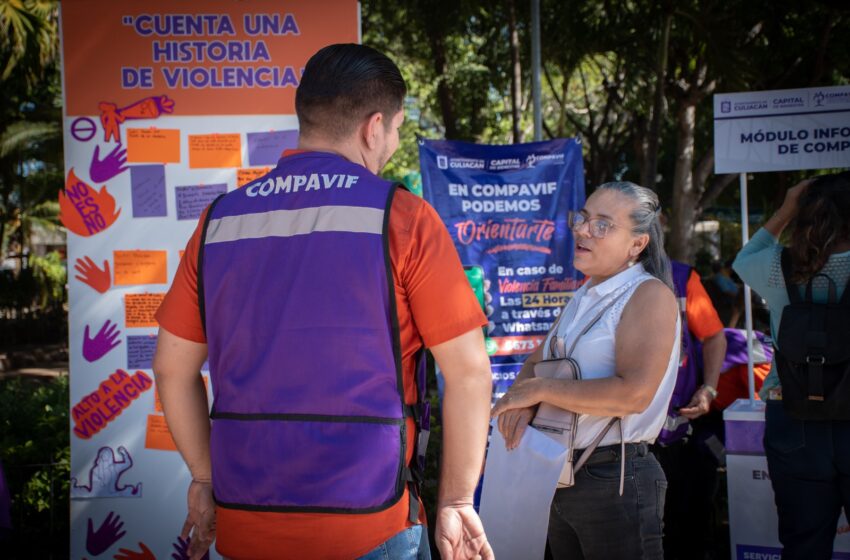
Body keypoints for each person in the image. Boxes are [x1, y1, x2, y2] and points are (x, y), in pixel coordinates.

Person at [152, 44, 494, 560]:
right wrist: (457, 500)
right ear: (372, 126)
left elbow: (171, 370)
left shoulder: (220, 221)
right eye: (397, 128)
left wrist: (204, 478)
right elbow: (468, 373)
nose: (394, 142)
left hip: (246, 521)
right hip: (370, 524)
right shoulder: (403, 217)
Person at [491, 181, 680, 559]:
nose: (581, 230)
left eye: (602, 224)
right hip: (562, 475)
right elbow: (535, 363)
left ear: (637, 244)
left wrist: (540, 391)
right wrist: (526, 400)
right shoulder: (584, 295)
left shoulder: (648, 295)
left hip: (615, 478)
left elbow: (634, 394)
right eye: (584, 218)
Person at [733, 171, 850, 559]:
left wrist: (785, 208)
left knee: (803, 545)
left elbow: (743, 259)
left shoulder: (779, 267)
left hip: (794, 415)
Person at [652, 259, 727, 560]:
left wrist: (708, 388)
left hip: (674, 435)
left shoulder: (681, 278)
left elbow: (713, 336)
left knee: (680, 529)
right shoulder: (593, 278)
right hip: (617, 441)